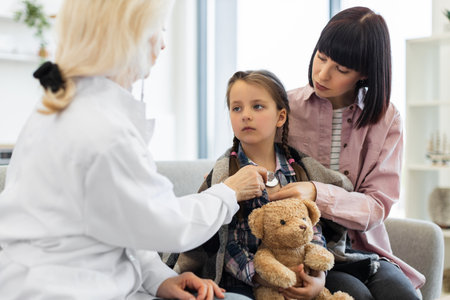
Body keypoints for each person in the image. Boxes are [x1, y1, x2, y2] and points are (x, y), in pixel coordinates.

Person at [0, 1, 268, 299]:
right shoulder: (102, 130)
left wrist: (159, 279)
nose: (164, 44)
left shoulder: (60, 109)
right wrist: (229, 191)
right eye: (159, 30)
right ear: (131, 35)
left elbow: (118, 221)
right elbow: (167, 223)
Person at [270, 6, 425, 300]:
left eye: (341, 69)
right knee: (356, 295)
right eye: (321, 58)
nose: (323, 74)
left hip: (363, 249)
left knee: (404, 296)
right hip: (301, 245)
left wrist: (317, 192)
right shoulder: (285, 107)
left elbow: (377, 205)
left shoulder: (386, 118)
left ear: (365, 73)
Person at [170, 70, 353, 300]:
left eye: (257, 106)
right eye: (236, 108)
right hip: (241, 283)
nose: (245, 115)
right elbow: (225, 243)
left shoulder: (298, 169)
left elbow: (312, 228)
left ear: (281, 117)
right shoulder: (226, 174)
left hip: (297, 276)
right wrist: (263, 277)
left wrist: (318, 277)